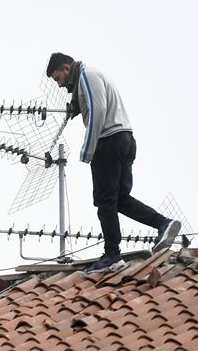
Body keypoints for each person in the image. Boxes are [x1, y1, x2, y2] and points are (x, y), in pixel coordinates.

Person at [45, 53, 182, 273]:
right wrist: (75, 105)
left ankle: (112, 255)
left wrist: (88, 149)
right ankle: (163, 224)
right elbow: (92, 102)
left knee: (104, 201)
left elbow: (98, 109)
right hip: (124, 140)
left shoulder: (87, 76)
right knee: (119, 199)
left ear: (67, 68)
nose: (59, 84)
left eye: (58, 78)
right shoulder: (89, 78)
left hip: (107, 141)